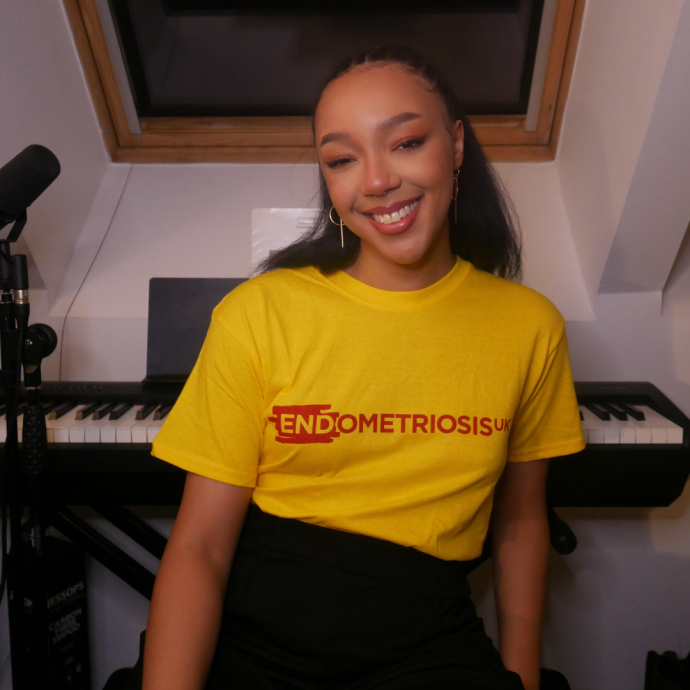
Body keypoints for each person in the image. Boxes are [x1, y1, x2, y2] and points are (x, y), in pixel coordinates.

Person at [141, 45, 585, 690]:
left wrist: (521, 678)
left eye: (404, 143)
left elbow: (519, 521)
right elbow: (201, 546)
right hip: (258, 631)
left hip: (425, 637)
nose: (375, 182)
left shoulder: (530, 325)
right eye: (342, 160)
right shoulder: (259, 312)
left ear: (456, 146)